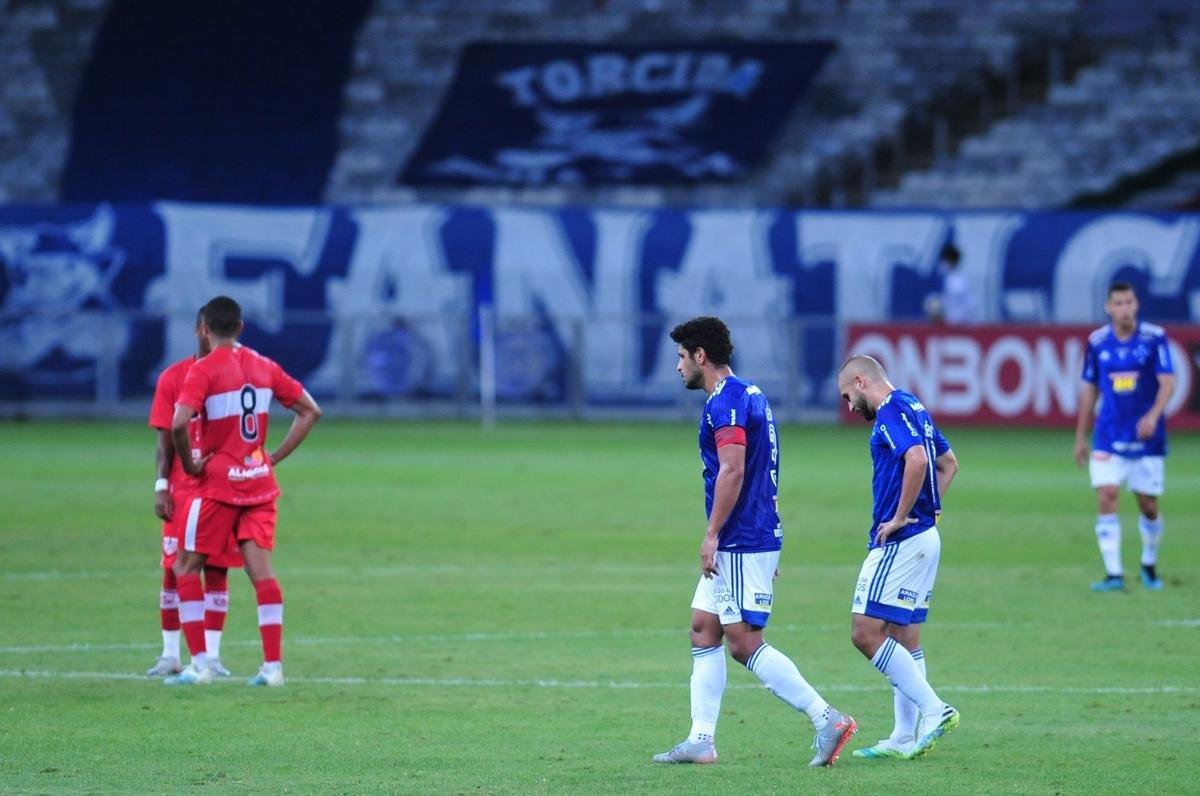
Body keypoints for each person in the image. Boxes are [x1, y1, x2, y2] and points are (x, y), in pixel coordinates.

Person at [653, 316, 857, 768]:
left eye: (682, 357)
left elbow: (734, 469)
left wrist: (712, 535)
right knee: (703, 627)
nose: (678, 366)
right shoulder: (751, 394)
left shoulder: (723, 404)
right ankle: (701, 739)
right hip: (751, 535)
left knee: (744, 642)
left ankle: (827, 718)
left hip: (740, 538)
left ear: (700, 357)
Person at [163, 296, 321, 686]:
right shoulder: (264, 365)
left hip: (217, 485)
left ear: (204, 329)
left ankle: (199, 665)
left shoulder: (203, 370)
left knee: (186, 566)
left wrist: (193, 463)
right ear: (241, 328)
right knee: (261, 573)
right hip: (259, 482)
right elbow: (310, 411)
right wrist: (273, 457)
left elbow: (179, 423)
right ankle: (273, 668)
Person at [836, 354, 960, 760]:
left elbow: (920, 460)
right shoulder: (914, 405)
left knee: (864, 632)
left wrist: (903, 515)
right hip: (926, 537)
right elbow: (949, 462)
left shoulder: (891, 409)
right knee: (904, 638)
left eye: (848, 396)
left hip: (903, 539)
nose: (849, 407)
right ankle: (905, 736)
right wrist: (929, 506)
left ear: (861, 381)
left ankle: (935, 709)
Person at [146, 309, 244, 678]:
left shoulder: (238, 379)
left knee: (218, 569)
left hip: (224, 491)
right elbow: (163, 441)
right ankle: (170, 653)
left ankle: (212, 657)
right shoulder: (173, 377)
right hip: (184, 493)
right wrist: (161, 486)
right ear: (200, 330)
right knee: (174, 571)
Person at [1073, 282, 1175, 592]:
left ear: (1137, 304)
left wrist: (1154, 415)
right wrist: (1080, 435)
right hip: (1108, 436)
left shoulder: (1155, 338)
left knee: (1148, 505)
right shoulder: (1098, 342)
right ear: (1108, 307)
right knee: (1107, 496)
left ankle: (1148, 563)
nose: (1124, 308)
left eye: (1129, 302)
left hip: (1146, 438)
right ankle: (1114, 574)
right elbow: (1090, 389)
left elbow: (1167, 382)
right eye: (1118, 303)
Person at [924, 242, 979, 326]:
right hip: (950, 322)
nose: (942, 264)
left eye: (943, 261)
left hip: (958, 323)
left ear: (950, 261)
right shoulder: (948, 279)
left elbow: (968, 305)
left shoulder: (958, 282)